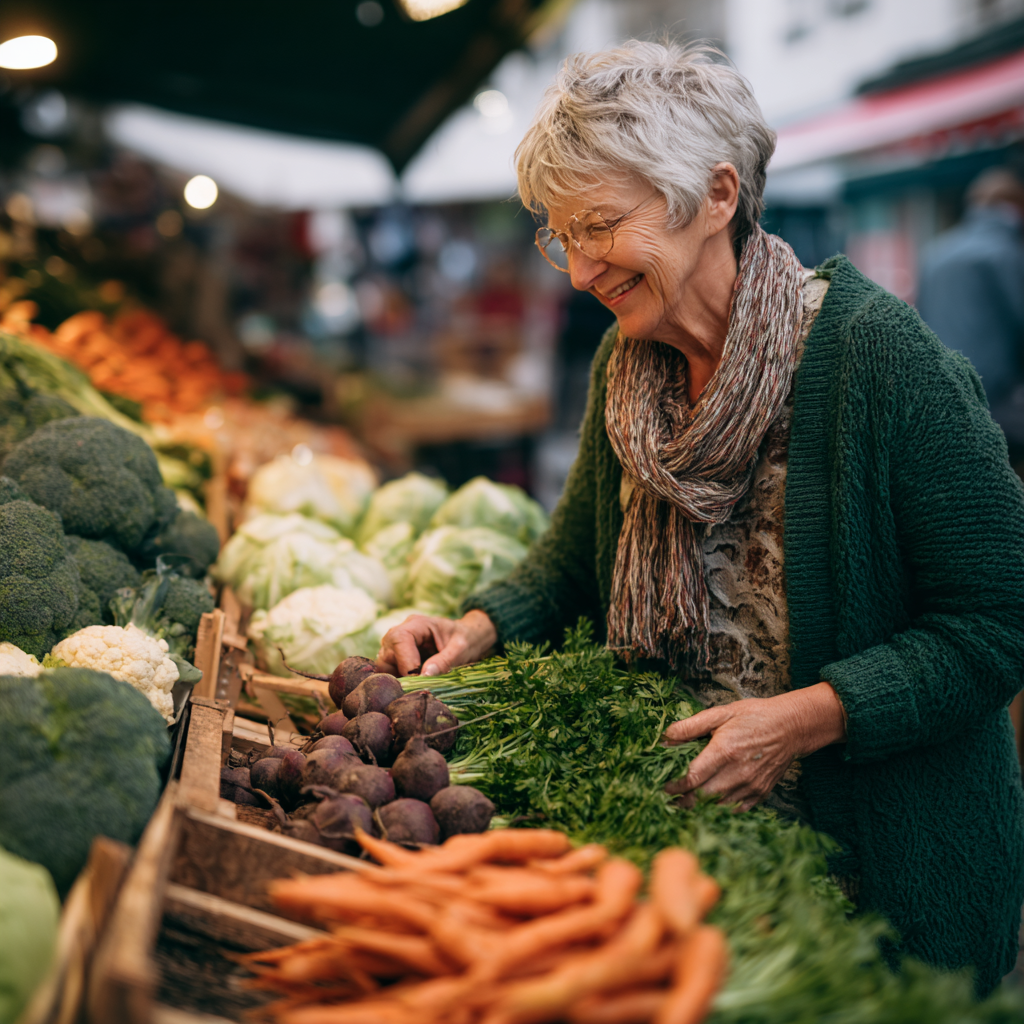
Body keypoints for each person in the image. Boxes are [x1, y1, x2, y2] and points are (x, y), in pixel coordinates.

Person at [378, 42, 1024, 994]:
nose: (579, 270)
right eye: (562, 238)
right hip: (689, 865)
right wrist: (474, 625)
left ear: (717, 194)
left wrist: (806, 719)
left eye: (601, 224)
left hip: (876, 883)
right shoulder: (624, 369)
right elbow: (567, 568)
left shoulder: (879, 361)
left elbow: (997, 620)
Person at [917, 167, 1024, 468]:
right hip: (1000, 399)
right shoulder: (1006, 252)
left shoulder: (935, 252)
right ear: (1014, 207)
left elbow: (921, 322)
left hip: (946, 398)